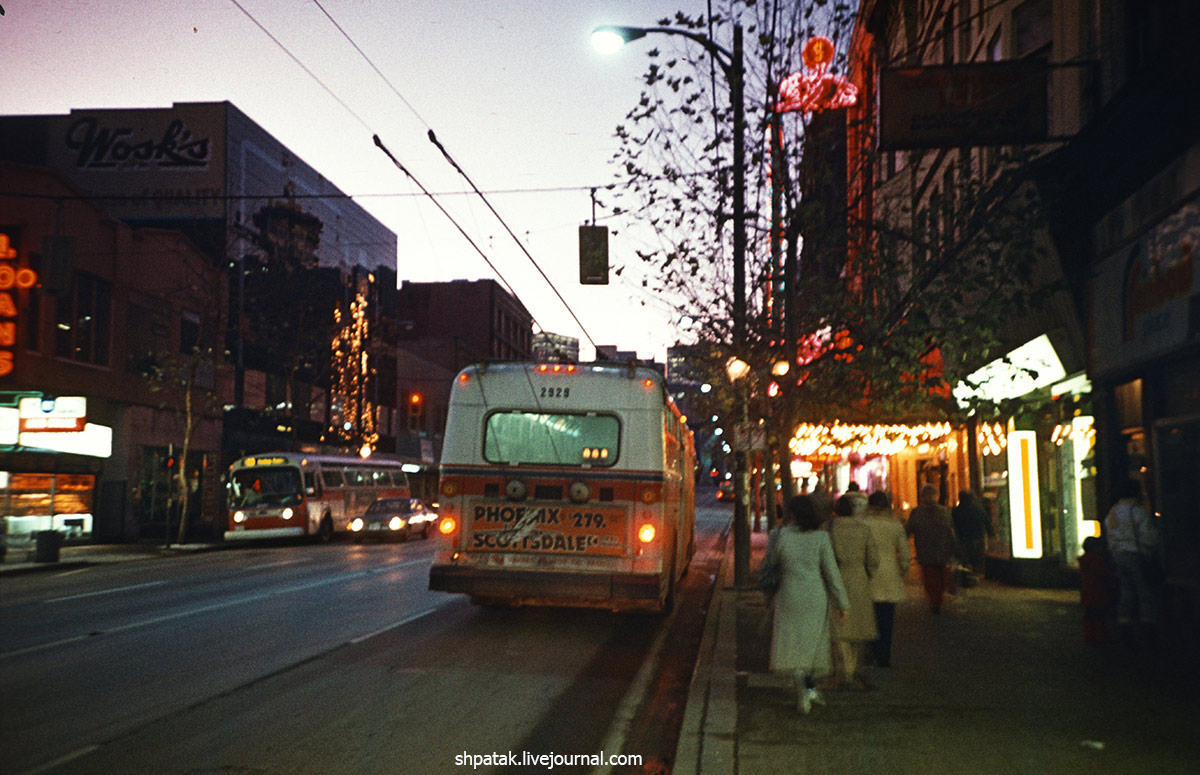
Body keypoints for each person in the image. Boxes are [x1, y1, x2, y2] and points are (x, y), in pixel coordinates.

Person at [765, 494, 850, 714]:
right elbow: (832, 573)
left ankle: (803, 689)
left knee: (792, 641)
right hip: (815, 594)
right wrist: (843, 603)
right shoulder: (821, 538)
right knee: (813, 642)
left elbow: (771, 564)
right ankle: (809, 689)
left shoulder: (780, 536)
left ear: (791, 514)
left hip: (789, 593)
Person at [828, 494, 880, 688]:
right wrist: (866, 574)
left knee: (839, 627)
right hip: (859, 579)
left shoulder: (829, 529)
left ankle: (844, 672)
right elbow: (873, 559)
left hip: (837, 578)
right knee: (857, 629)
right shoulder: (863, 529)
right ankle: (852, 668)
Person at [1103, 477, 1161, 648]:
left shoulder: (1113, 512)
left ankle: (1125, 630)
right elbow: (1149, 536)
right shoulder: (1137, 511)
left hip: (1119, 555)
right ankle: (1148, 631)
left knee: (1127, 592)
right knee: (1145, 593)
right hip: (1136, 555)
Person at [862, 490, 909, 667]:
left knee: (870, 617)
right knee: (887, 618)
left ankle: (871, 652)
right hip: (889, 574)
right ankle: (884, 655)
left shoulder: (863, 524)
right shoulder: (894, 525)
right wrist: (902, 570)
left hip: (868, 574)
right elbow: (904, 553)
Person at [906, 484, 957, 614]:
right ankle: (937, 599)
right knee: (940, 575)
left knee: (930, 578)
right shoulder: (944, 511)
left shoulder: (917, 512)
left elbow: (908, 530)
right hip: (942, 549)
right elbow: (951, 531)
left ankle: (935, 601)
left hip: (925, 551)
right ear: (937, 496)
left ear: (922, 497)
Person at [1078, 535, 1116, 644]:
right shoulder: (1096, 559)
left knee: (1090, 615)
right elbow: (1102, 573)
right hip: (1098, 592)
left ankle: (1090, 635)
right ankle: (1099, 636)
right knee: (1099, 615)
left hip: (1087, 593)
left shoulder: (1084, 560)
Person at [951, 490, 993, 579]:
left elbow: (952, 524)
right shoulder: (978, 509)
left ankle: (966, 575)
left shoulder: (956, 511)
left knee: (965, 558)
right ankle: (977, 575)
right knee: (978, 558)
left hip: (963, 538)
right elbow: (986, 522)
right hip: (978, 537)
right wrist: (991, 533)